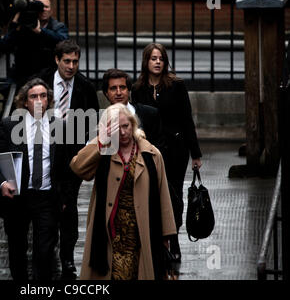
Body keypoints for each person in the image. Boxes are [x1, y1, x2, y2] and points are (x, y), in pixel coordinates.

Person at [70, 103, 176, 280]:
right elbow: (78, 168)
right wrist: (100, 141)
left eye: (126, 126)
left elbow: (163, 194)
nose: (123, 132)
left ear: (133, 124)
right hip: (109, 233)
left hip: (142, 231)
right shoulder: (103, 151)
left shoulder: (151, 153)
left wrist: (167, 235)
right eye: (117, 129)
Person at [0, 78, 71, 280]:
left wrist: (64, 197)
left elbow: (66, 166)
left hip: (47, 198)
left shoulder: (59, 126)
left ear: (48, 100)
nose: (39, 100)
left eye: (43, 96)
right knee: (17, 252)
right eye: (33, 96)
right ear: (24, 102)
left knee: (44, 252)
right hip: (18, 197)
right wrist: (2, 183)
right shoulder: (10, 125)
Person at [131, 42, 203, 262]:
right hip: (148, 150)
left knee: (173, 195)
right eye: (153, 58)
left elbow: (186, 119)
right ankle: (155, 241)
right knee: (150, 194)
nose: (158, 62)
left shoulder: (176, 85)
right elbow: (136, 121)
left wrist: (195, 153)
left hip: (175, 149)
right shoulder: (137, 88)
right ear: (146, 61)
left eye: (161, 58)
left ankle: (174, 238)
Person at [39, 39, 99, 279]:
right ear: (57, 60)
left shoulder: (85, 87)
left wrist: (84, 153)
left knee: (69, 208)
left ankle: (67, 258)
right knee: (48, 205)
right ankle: (49, 252)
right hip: (46, 155)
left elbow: (93, 122)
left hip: (72, 159)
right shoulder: (42, 81)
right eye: (67, 61)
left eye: (75, 61)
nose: (71, 66)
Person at [0, 0, 69, 89]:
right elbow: (4, 46)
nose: (43, 9)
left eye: (46, 7)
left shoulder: (58, 27)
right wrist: (15, 24)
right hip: (22, 74)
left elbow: (64, 42)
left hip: (47, 75)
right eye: (40, 7)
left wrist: (41, 31)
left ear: (51, 10)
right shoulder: (23, 26)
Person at [101, 68, 165, 153]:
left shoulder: (150, 114)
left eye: (122, 87)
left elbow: (160, 151)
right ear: (106, 93)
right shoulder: (99, 119)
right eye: (113, 88)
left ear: (128, 91)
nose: (119, 92)